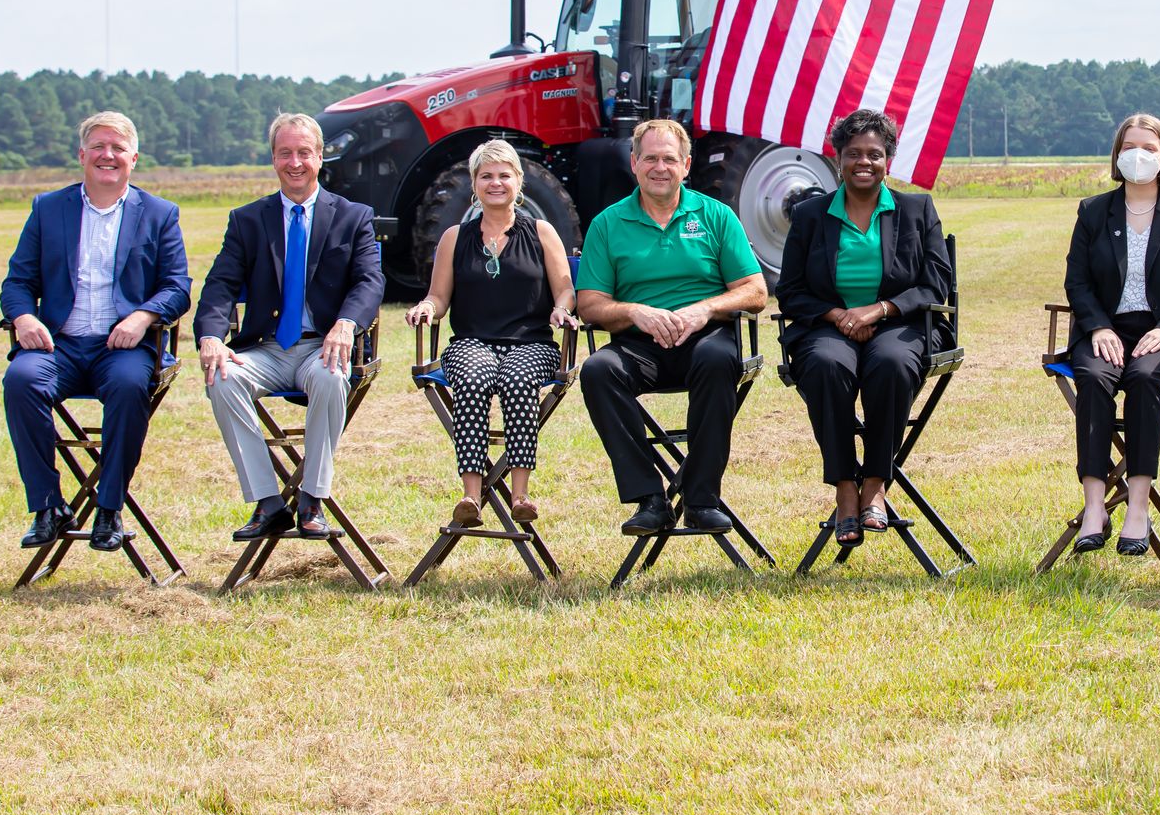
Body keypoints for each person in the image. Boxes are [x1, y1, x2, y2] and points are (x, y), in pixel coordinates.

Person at [0, 112, 191, 552]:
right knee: (20, 380)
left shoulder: (159, 213)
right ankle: (48, 506)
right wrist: (24, 318)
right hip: (58, 345)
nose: (108, 155)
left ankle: (109, 508)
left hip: (122, 349)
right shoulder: (48, 208)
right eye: (99, 147)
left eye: (118, 148)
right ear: (82, 155)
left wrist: (142, 316)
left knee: (128, 386)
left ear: (134, 158)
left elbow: (177, 287)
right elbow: (17, 282)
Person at [195, 113, 385, 542]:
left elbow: (369, 282)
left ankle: (312, 500)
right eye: (285, 153)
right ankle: (268, 502)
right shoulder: (247, 220)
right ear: (273, 159)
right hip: (265, 348)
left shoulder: (353, 216)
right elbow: (220, 284)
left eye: (304, 153)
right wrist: (210, 337)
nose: (294, 162)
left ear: (320, 157)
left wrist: (346, 325)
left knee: (331, 378)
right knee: (221, 378)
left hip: (323, 346)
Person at [576, 118, 767, 536]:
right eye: (649, 158)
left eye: (669, 159)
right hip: (638, 345)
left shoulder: (716, 215)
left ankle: (701, 500)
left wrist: (704, 310)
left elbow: (755, 291)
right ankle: (649, 500)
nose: (659, 168)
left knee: (718, 360)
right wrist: (634, 312)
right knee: (597, 370)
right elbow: (588, 304)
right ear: (634, 163)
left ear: (686, 165)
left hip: (706, 339)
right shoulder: (607, 223)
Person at [777, 109, 951, 547]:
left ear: (888, 159)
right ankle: (844, 488)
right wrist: (839, 316)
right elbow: (790, 291)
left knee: (891, 363)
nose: (864, 162)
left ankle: (875, 483)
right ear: (838, 158)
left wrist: (879, 310)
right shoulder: (809, 215)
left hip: (901, 324)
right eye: (853, 153)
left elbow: (935, 283)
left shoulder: (916, 209)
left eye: (874, 154)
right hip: (827, 326)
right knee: (825, 365)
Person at [1064, 113, 1160, 556]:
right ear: (1116, 155)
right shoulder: (1093, 211)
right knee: (1093, 378)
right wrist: (1098, 326)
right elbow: (1077, 282)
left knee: (1145, 378)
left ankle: (1137, 507)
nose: (1138, 155)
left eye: (1148, 148)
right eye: (1129, 147)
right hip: (1106, 329)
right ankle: (1095, 506)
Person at [406, 139, 581, 527]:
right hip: (471, 342)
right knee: (472, 379)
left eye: (504, 175)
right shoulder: (454, 237)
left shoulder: (542, 232)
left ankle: (520, 495)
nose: (496, 183)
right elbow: (438, 297)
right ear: (474, 183)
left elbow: (565, 289)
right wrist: (426, 307)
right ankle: (471, 497)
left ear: (519, 181)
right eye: (486, 176)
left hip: (533, 342)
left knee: (518, 380)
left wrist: (561, 308)